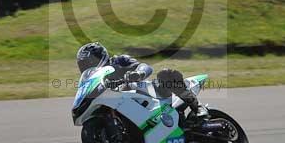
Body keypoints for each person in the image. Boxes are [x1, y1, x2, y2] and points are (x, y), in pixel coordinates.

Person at [75, 42, 207, 122]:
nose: (87, 66)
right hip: (122, 105)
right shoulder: (93, 80)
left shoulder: (118, 61)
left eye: (89, 62)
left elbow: (144, 66)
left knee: (165, 75)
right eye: (84, 64)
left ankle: (197, 107)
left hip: (149, 93)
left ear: (99, 57)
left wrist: (137, 74)